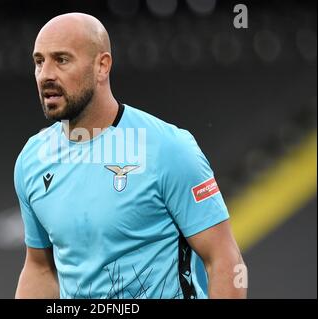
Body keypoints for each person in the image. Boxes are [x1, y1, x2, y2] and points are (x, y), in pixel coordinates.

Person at [14, 12, 247, 299]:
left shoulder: (168, 148)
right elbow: (40, 268)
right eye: (39, 61)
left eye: (61, 60)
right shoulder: (32, 159)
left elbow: (224, 259)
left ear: (102, 66)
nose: (46, 74)